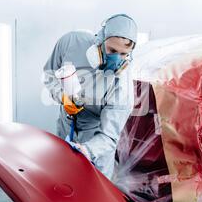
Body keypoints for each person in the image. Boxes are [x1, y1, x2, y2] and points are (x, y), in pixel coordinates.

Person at [42, 14, 138, 180]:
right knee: (62, 179)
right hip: (66, 125)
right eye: (112, 50)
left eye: (123, 54)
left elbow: (109, 136)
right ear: (100, 40)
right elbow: (49, 74)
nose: (116, 60)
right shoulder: (71, 42)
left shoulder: (122, 84)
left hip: (95, 140)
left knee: (93, 190)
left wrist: (87, 150)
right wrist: (62, 97)